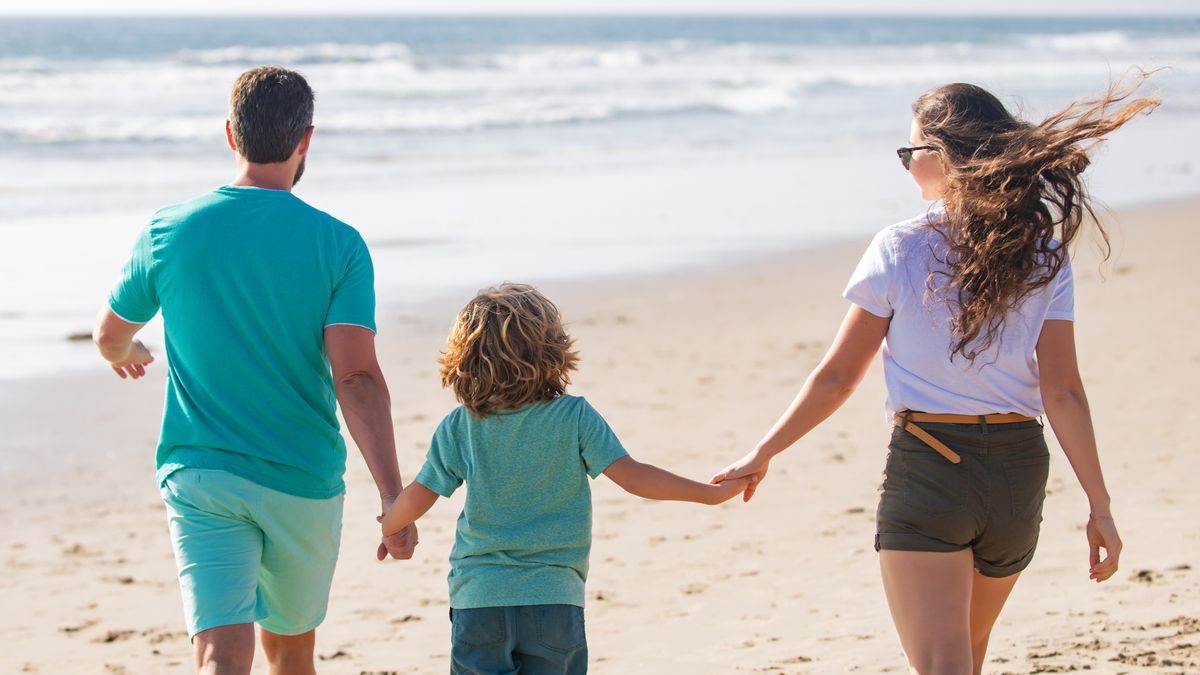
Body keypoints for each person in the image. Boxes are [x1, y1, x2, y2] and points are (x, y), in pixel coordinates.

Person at [711, 79, 1158, 674]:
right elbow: (1064, 392)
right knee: (965, 657)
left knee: (944, 664)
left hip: (931, 464)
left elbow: (839, 376)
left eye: (909, 151)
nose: (905, 164)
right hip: (1019, 471)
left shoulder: (900, 247)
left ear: (942, 155)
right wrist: (1099, 506)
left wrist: (763, 451)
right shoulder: (1044, 256)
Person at [92, 65, 418, 675]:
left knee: (220, 649)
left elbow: (109, 335)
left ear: (229, 135)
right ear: (306, 140)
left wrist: (126, 355)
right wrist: (392, 494)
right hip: (301, 479)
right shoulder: (339, 244)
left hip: (201, 474)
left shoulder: (170, 229)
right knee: (291, 649)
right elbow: (356, 378)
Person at [380, 283, 754, 675]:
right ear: (552, 351)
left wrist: (390, 525)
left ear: (464, 358)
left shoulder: (461, 425)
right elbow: (633, 476)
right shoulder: (574, 416)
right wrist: (709, 495)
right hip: (555, 600)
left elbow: (420, 496)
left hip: (479, 600)